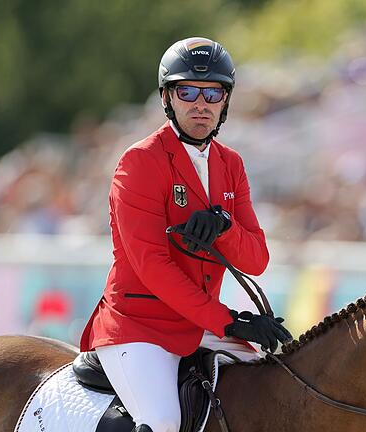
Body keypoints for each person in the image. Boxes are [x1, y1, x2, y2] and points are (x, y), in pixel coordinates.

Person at [79, 37, 292, 432]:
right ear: (167, 97)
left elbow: (257, 260)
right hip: (139, 326)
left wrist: (224, 227)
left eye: (213, 92)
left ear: (225, 101)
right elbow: (152, 267)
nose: (201, 103)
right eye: (187, 91)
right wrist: (228, 322)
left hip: (199, 324)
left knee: (282, 391)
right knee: (161, 422)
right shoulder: (139, 162)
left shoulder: (231, 164)